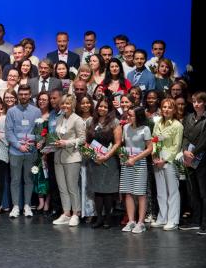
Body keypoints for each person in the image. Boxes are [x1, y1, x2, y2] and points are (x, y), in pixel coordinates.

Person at [180, 91, 206, 235]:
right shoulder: (189, 117)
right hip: (189, 158)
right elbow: (185, 136)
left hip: (202, 158)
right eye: (194, 101)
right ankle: (196, 220)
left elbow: (205, 140)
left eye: (199, 102)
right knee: (192, 191)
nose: (196, 104)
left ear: (205, 103)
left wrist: (192, 154)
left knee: (204, 193)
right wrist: (184, 151)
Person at [5, 85, 42, 218]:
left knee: (29, 179)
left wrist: (37, 141)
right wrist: (18, 146)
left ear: (30, 94)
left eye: (26, 94)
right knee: (15, 179)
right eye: (21, 94)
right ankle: (15, 206)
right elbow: (8, 132)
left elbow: (39, 131)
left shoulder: (37, 111)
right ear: (18, 95)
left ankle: (27, 205)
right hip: (16, 151)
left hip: (31, 151)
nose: (23, 96)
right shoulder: (11, 111)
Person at [50, 95, 86, 227]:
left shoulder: (78, 120)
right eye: (63, 104)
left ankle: (76, 213)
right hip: (58, 156)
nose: (65, 106)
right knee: (62, 187)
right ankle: (66, 213)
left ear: (73, 105)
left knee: (72, 187)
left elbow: (82, 139)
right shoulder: (59, 118)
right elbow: (57, 135)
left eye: (68, 104)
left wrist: (66, 143)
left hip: (72, 157)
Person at [86, 97, 122, 228]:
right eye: (100, 106)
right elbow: (87, 141)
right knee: (97, 190)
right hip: (94, 160)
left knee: (107, 191)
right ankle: (99, 218)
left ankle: (108, 218)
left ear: (109, 109)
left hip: (109, 161)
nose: (102, 109)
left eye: (105, 107)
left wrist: (105, 156)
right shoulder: (90, 121)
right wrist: (93, 155)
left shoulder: (114, 122)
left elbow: (118, 143)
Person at [151, 98, 183, 231]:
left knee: (172, 191)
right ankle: (162, 217)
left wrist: (164, 160)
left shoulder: (177, 125)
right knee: (161, 192)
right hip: (157, 158)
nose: (166, 109)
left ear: (174, 109)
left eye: (169, 107)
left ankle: (173, 220)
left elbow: (177, 146)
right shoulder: (158, 122)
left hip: (169, 160)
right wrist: (154, 155)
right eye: (164, 107)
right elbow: (154, 140)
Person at [120, 107, 154, 234]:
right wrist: (122, 154)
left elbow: (149, 148)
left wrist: (135, 159)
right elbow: (125, 145)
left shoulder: (145, 129)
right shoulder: (125, 127)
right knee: (128, 192)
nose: (128, 117)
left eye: (131, 115)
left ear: (138, 116)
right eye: (128, 115)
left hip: (139, 162)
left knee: (140, 193)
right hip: (127, 162)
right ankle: (131, 221)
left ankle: (141, 222)